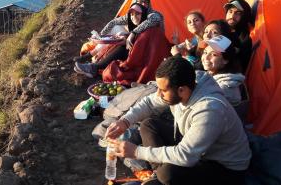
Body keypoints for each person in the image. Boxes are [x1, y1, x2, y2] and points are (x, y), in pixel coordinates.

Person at [106, 56, 251, 185]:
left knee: (168, 174)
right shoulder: (187, 83)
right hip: (199, 148)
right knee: (148, 125)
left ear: (182, 90)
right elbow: (150, 103)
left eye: (163, 90)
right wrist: (124, 121)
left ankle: (160, 176)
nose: (158, 94)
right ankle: (157, 176)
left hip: (225, 167)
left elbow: (186, 155)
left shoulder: (210, 109)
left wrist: (137, 151)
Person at [74, 3, 148, 78]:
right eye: (132, 14)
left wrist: (130, 35)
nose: (134, 16)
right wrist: (100, 35)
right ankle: (94, 62)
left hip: (141, 57)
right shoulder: (131, 19)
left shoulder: (151, 18)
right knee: (117, 31)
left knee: (123, 46)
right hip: (134, 47)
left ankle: (94, 66)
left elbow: (142, 40)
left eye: (137, 13)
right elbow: (113, 22)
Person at [201, 35, 244, 106]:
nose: (206, 57)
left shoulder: (225, 87)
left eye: (214, 54)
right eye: (205, 52)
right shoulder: (208, 77)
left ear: (225, 60)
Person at [224, 0, 252, 72]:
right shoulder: (220, 29)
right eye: (230, 11)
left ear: (244, 16)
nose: (232, 16)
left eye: (238, 13)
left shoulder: (244, 38)